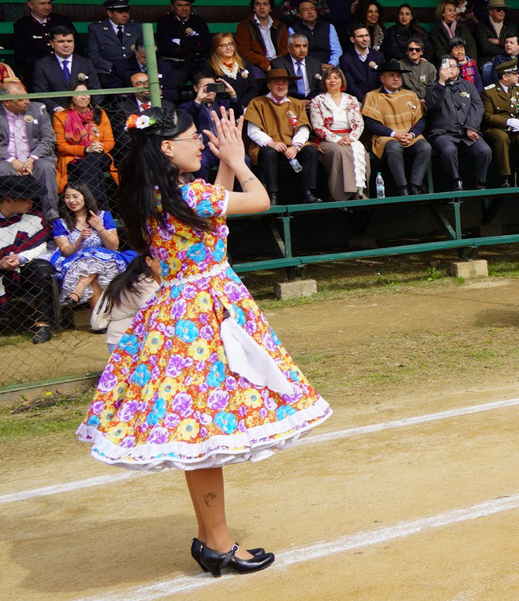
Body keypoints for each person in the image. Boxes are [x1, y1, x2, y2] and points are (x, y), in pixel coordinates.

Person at [76, 107, 330, 574]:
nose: (201, 144)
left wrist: (227, 164)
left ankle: (214, 539)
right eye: (194, 138)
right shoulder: (187, 194)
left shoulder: (154, 194)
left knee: (199, 432)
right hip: (206, 314)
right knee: (204, 430)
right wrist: (240, 160)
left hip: (177, 313)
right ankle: (217, 542)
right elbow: (259, 202)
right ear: (167, 148)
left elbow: (213, 206)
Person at [241, 67, 318, 204]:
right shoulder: (257, 103)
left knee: (311, 150)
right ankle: (272, 195)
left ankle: (308, 192)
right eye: (276, 82)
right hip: (269, 145)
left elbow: (303, 128)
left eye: (284, 82)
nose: (281, 86)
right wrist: (271, 142)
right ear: (269, 85)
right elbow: (253, 131)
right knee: (268, 153)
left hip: (291, 145)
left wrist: (296, 146)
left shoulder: (296, 104)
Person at [49, 181, 126, 308]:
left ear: (85, 196)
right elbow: (65, 252)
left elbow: (114, 246)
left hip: (107, 261)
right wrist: (80, 240)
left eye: (75, 196)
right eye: (67, 197)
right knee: (92, 271)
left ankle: (76, 294)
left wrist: (99, 227)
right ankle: (101, 320)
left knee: (93, 257)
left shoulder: (103, 216)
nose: (71, 201)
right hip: (75, 263)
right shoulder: (60, 223)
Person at [0, 174, 56, 343]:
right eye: (26, 198)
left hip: (22, 269)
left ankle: (43, 325)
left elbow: (40, 246)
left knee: (43, 269)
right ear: (9, 200)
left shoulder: (35, 218)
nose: (31, 202)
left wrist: (19, 258)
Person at [361, 65, 430, 195]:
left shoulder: (411, 95)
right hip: (386, 137)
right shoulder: (372, 96)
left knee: (425, 147)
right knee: (394, 147)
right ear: (382, 78)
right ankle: (402, 187)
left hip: (410, 136)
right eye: (391, 75)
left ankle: (415, 185)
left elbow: (421, 120)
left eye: (398, 76)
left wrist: (412, 134)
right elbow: (371, 123)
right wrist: (394, 134)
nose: (396, 79)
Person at [425, 60, 491, 190]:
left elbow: (478, 106)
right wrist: (441, 83)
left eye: (453, 66)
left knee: (485, 151)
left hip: (467, 133)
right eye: (446, 67)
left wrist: (471, 127)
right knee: (449, 150)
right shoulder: (433, 86)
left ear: (459, 70)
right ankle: (456, 180)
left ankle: (479, 181)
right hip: (443, 133)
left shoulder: (468, 86)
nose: (450, 69)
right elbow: (433, 105)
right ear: (440, 70)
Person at [307, 68, 368, 201]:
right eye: (329, 78)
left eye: (336, 77)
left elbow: (359, 123)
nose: (333, 81)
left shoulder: (352, 99)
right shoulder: (317, 101)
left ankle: (360, 192)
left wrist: (351, 138)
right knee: (341, 152)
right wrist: (337, 139)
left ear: (341, 81)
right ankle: (343, 195)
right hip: (328, 140)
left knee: (361, 151)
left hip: (350, 137)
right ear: (324, 81)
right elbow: (317, 126)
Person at [0, 80, 58, 219]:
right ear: (6, 102)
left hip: (35, 158)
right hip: (6, 159)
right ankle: (8, 217)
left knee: (46, 168)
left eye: (27, 96)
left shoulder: (38, 109)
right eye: (20, 100)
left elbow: (48, 140)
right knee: (3, 170)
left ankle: (51, 218)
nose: (27, 101)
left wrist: (32, 159)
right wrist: (13, 161)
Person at [53, 83, 118, 204]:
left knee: (92, 159)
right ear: (71, 97)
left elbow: (109, 141)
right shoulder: (60, 116)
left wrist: (100, 146)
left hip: (100, 154)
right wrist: (85, 149)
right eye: (79, 94)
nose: (84, 97)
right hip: (73, 158)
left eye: (86, 94)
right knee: (92, 168)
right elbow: (61, 146)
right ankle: (101, 206)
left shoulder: (100, 113)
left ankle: (91, 204)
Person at [482, 61, 519, 187]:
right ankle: (505, 177)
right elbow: (488, 116)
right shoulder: (489, 92)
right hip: (497, 128)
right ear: (505, 77)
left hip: (516, 128)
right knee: (502, 138)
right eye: (515, 74)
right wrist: (507, 122)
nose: (518, 76)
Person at [153, 0, 210, 101]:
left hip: (197, 63)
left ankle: (205, 112)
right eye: (180, 5)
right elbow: (166, 48)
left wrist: (180, 42)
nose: (184, 8)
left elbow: (205, 46)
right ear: (172, 7)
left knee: (207, 83)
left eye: (187, 5)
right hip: (175, 64)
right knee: (173, 84)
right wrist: (193, 47)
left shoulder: (199, 21)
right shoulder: (164, 21)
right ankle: (177, 113)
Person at [31, 25, 101, 112]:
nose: (66, 45)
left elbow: (95, 90)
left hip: (84, 114)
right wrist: (58, 109)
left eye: (69, 41)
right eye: (61, 41)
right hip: (55, 115)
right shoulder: (42, 65)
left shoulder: (86, 63)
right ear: (52, 43)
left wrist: (89, 110)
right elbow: (41, 94)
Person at [86, 0, 147, 87]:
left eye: (126, 11)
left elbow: (144, 52)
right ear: (110, 13)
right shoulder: (96, 29)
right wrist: (115, 68)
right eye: (120, 11)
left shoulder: (137, 27)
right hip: (107, 71)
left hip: (134, 69)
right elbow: (94, 56)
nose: (125, 15)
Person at [11, 0, 75, 73]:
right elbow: (22, 54)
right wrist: (42, 67)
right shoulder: (22, 25)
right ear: (30, 5)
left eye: (49, 3)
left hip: (66, 68)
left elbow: (77, 46)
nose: (47, 7)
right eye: (42, 4)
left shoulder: (62, 21)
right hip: (37, 70)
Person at [234, 0, 288, 79]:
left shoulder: (280, 26)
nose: (262, 7)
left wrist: (277, 63)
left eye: (265, 4)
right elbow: (243, 51)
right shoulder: (244, 26)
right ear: (253, 8)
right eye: (258, 4)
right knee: (257, 77)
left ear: (270, 8)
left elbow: (285, 48)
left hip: (279, 62)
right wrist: (264, 63)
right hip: (256, 64)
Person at [339, 22, 384, 98]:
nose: (365, 39)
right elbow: (350, 85)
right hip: (357, 100)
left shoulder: (378, 56)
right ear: (352, 39)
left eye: (367, 35)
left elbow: (382, 80)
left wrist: (376, 99)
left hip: (378, 99)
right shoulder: (345, 59)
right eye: (360, 36)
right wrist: (365, 101)